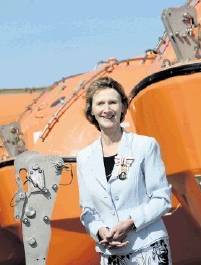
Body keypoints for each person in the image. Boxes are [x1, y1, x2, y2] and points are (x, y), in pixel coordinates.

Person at [77, 77, 172, 265]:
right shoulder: (84, 158)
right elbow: (87, 210)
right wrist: (99, 231)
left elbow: (162, 199)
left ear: (122, 107)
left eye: (113, 102)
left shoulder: (145, 146)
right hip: (110, 254)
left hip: (149, 249)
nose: (107, 109)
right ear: (92, 111)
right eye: (100, 103)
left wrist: (130, 222)